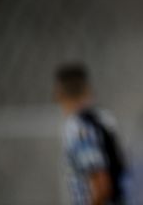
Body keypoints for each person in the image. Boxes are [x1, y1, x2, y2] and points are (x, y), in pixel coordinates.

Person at [54, 62, 127, 205]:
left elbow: (101, 185)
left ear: (59, 93)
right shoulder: (104, 118)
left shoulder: (78, 128)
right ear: (87, 90)